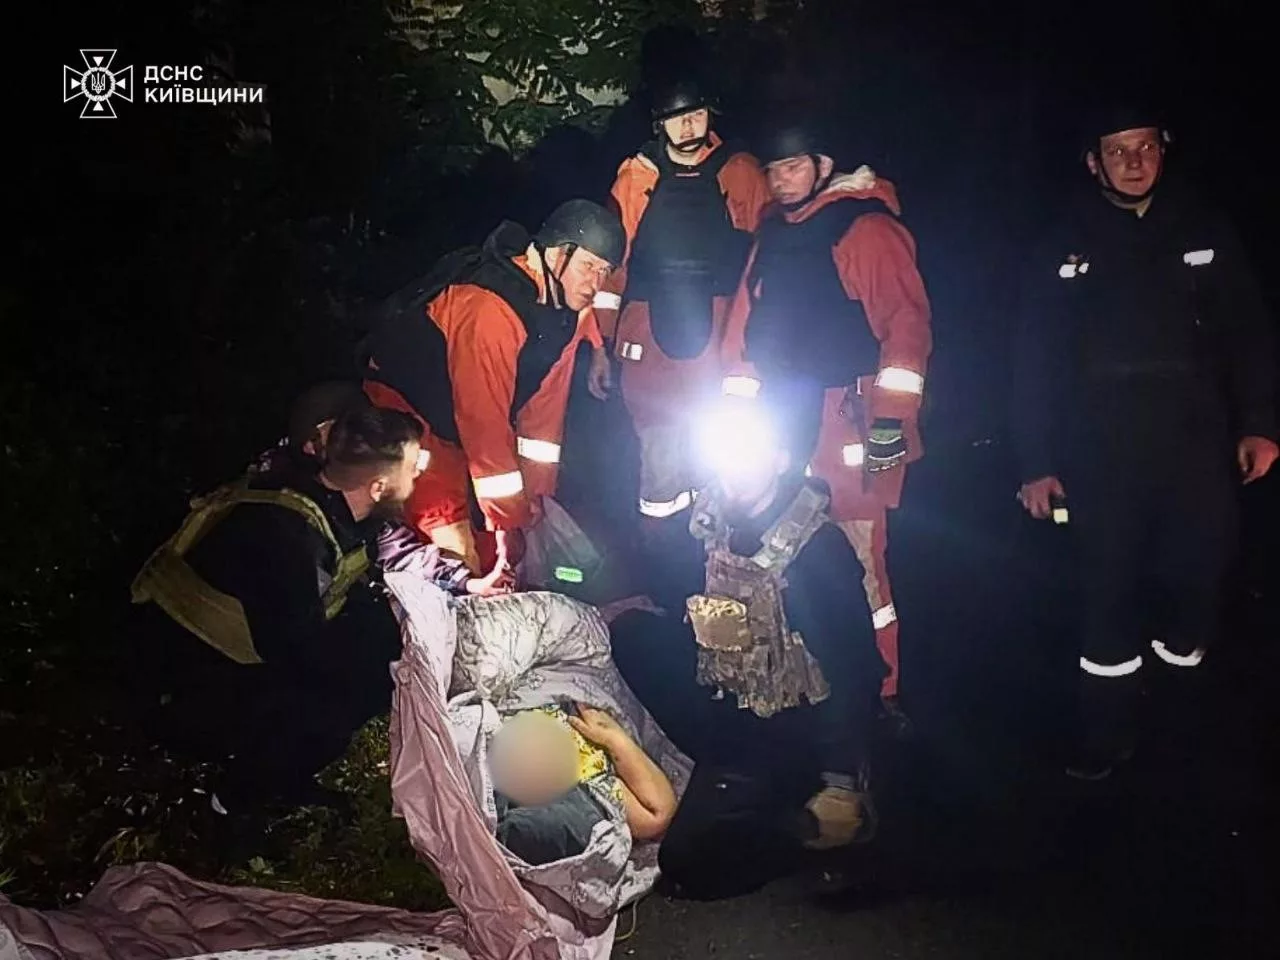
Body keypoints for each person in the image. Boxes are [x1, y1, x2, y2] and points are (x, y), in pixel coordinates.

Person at [1012, 104, 1278, 780]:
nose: (1134, 162)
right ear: (1093, 161)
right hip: (1099, 447)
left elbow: (1249, 332)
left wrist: (1260, 423)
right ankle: (1106, 737)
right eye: (1118, 150)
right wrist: (1036, 462)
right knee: (1106, 591)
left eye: (1145, 147)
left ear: (1164, 150)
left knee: (1199, 579)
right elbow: (1033, 358)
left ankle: (1183, 721)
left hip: (1195, 440)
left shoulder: (1204, 229)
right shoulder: (1064, 243)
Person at [131, 406, 473, 808]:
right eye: (415, 465)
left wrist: (465, 582)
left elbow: (393, 551)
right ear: (379, 486)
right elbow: (297, 652)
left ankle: (282, 769)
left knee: (380, 640)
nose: (419, 474)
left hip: (245, 645)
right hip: (183, 682)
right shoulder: (287, 538)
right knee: (353, 688)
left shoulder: (337, 499)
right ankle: (237, 797)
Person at [610, 397, 884, 898]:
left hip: (795, 729)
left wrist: (841, 778)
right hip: (730, 708)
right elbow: (676, 597)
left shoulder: (816, 548)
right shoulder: (708, 525)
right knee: (632, 634)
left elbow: (853, 668)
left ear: (780, 461)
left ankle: (806, 822)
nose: (737, 471)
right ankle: (731, 787)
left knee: (687, 862)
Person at [719, 122, 933, 726]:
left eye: (793, 167)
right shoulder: (772, 236)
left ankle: (881, 687)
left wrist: (889, 427)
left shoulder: (865, 229)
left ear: (823, 165)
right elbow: (741, 335)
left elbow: (906, 331)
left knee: (863, 560)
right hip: (781, 423)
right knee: (782, 555)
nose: (781, 181)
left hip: (850, 424)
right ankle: (801, 678)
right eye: (773, 170)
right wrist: (732, 415)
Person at [361, 200, 626, 573]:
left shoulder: (567, 316)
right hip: (410, 416)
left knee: (505, 544)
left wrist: (534, 504)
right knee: (456, 551)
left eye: (605, 272)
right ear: (556, 254)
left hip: (456, 417)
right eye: (588, 267)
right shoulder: (491, 308)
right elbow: (482, 422)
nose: (595, 286)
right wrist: (507, 518)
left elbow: (543, 419)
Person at [585, 79, 770, 529]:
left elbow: (763, 260)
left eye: (697, 115)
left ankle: (727, 555)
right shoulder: (637, 177)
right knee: (660, 459)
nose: (688, 126)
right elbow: (610, 268)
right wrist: (599, 344)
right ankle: (663, 551)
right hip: (650, 340)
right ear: (660, 125)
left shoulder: (740, 172)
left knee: (730, 461)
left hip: (722, 339)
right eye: (677, 118)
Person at [487, 703, 677, 865]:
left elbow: (657, 816)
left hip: (579, 785)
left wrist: (612, 739)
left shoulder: (596, 788)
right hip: (513, 734)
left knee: (514, 835)